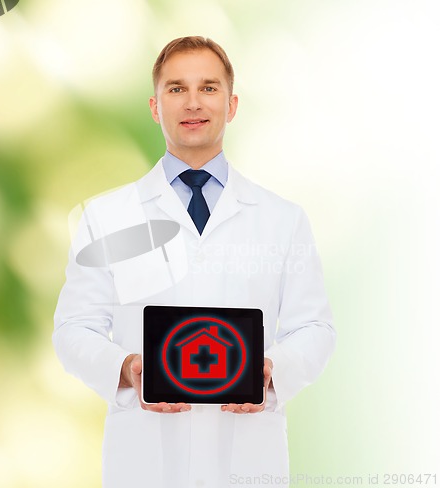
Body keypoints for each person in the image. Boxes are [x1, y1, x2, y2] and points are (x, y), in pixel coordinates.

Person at [53, 36, 336, 488]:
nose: (192, 103)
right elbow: (73, 329)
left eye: (208, 87)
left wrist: (271, 372)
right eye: (176, 88)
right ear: (154, 105)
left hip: (247, 454)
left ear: (232, 102)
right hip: (145, 458)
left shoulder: (283, 219)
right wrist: (126, 368)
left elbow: (315, 329)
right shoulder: (108, 217)